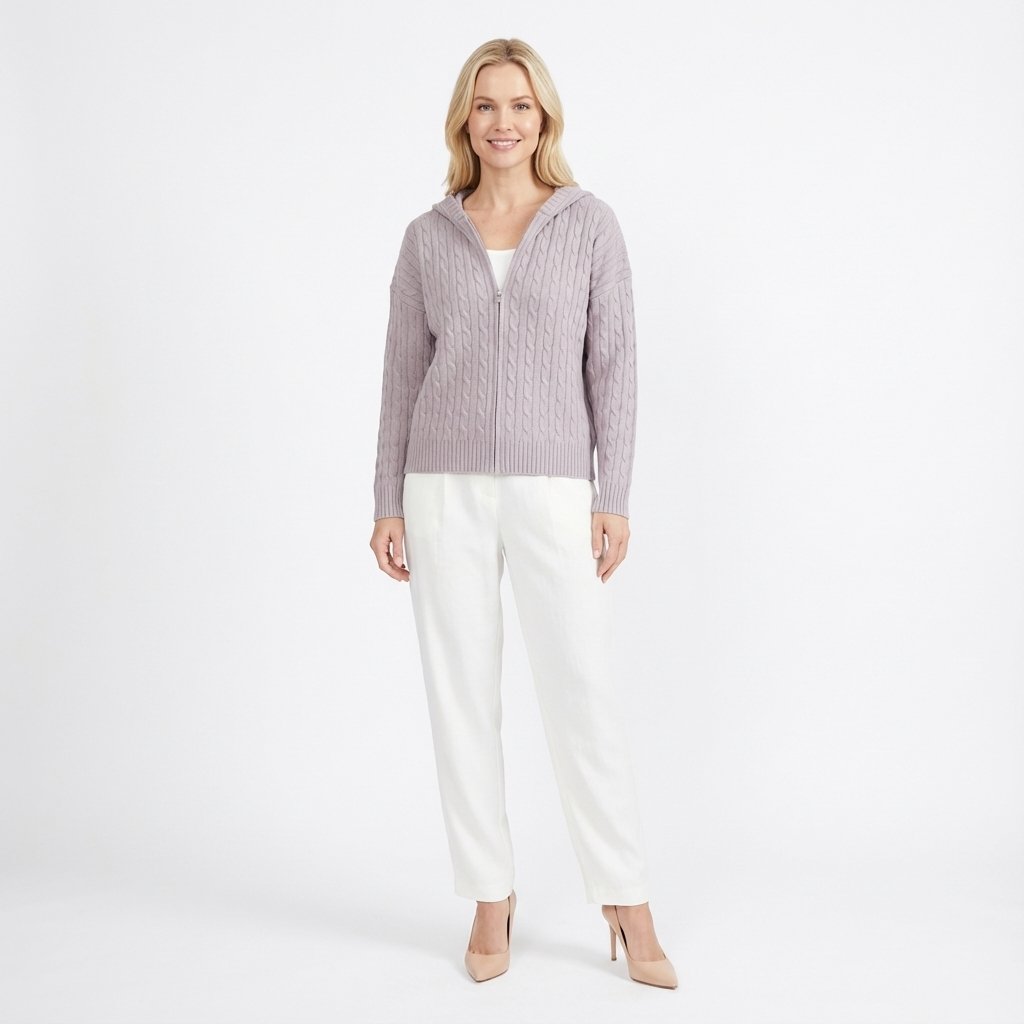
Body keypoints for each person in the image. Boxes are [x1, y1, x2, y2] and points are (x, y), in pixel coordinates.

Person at [368, 37, 677, 989]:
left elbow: (615, 366)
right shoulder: (429, 237)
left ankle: (626, 897)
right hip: (442, 486)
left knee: (580, 688)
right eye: (486, 104)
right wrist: (386, 500)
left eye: (520, 106)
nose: (503, 122)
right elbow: (402, 374)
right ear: (464, 119)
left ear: (544, 118)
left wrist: (613, 493)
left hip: (553, 489)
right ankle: (489, 895)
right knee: (461, 694)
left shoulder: (588, 226)